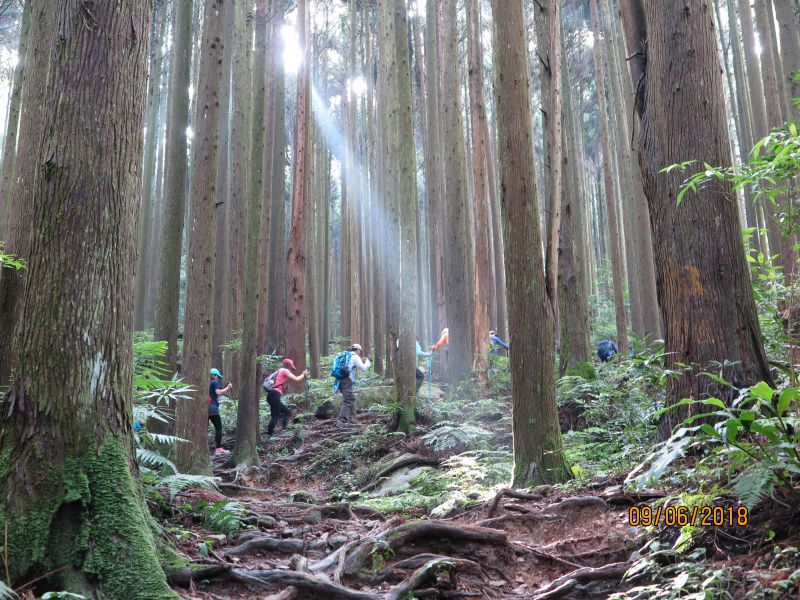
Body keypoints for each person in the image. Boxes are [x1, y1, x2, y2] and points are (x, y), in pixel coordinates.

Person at [264, 358, 309, 442]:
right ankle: (269, 437)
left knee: (287, 412)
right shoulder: (284, 370)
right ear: (288, 366)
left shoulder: (279, 371)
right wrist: (304, 374)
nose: (292, 370)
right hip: (274, 395)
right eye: (291, 368)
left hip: (271, 395)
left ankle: (284, 430)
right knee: (275, 416)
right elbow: (297, 379)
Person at [335, 343, 371, 424]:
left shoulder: (346, 356)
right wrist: (368, 360)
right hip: (346, 381)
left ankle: (352, 418)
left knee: (351, 398)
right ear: (358, 350)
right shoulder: (355, 357)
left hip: (339, 380)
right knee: (347, 400)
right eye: (360, 351)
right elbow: (363, 368)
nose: (360, 352)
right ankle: (341, 420)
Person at [208, 367, 233, 455]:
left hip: (205, 408)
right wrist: (228, 387)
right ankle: (218, 448)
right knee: (219, 428)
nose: (217, 378)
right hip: (212, 408)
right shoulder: (214, 382)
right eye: (217, 376)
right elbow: (218, 392)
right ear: (214, 375)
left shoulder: (206, 383)